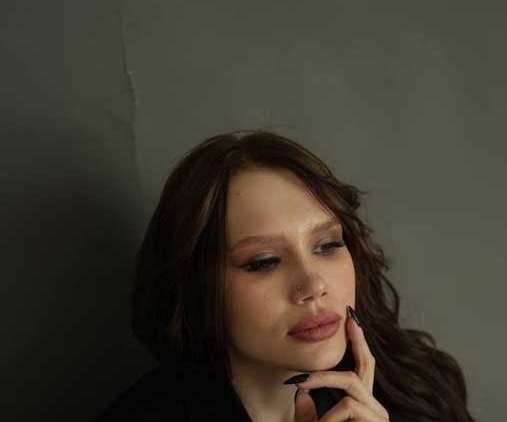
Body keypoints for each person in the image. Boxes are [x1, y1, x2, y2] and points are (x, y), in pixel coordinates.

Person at [96, 129, 475, 422]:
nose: (313, 285)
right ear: (197, 287)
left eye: (327, 245)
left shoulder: (418, 391)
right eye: (264, 261)